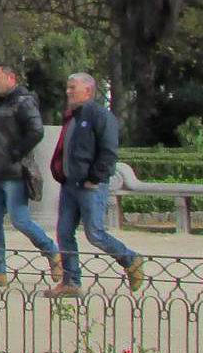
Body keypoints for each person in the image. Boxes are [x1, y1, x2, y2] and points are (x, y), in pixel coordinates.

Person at [44, 73, 145, 297]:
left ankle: (131, 259)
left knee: (95, 234)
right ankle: (71, 282)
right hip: (70, 185)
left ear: (88, 91)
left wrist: (95, 178)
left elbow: (109, 152)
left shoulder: (100, 115)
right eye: (68, 87)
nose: (68, 91)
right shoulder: (73, 116)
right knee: (64, 232)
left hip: (90, 186)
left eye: (73, 88)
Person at [0, 65, 60, 287]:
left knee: (20, 220)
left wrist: (17, 152)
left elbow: (36, 131)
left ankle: (53, 252)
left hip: (14, 172)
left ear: (11, 78)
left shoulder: (23, 101)